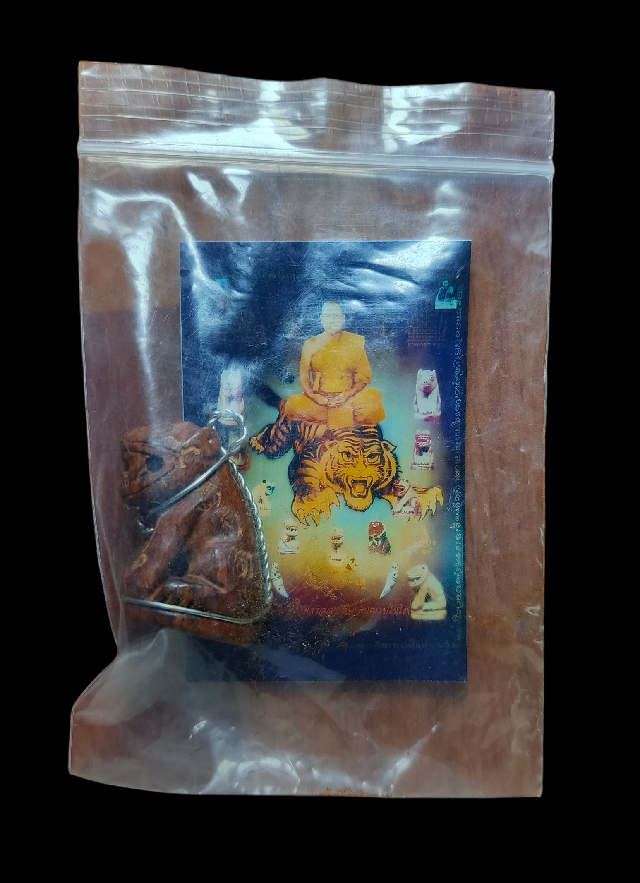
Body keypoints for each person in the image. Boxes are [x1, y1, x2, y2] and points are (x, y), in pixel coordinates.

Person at [282, 302, 385, 430]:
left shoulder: (355, 342)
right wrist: (315, 397)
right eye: (328, 316)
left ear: (343, 319)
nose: (332, 320)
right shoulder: (310, 344)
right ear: (321, 319)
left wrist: (347, 395)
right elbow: (304, 378)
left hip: (349, 398)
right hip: (321, 400)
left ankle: (332, 416)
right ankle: (344, 416)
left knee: (374, 399)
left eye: (336, 316)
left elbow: (363, 377)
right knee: (292, 404)